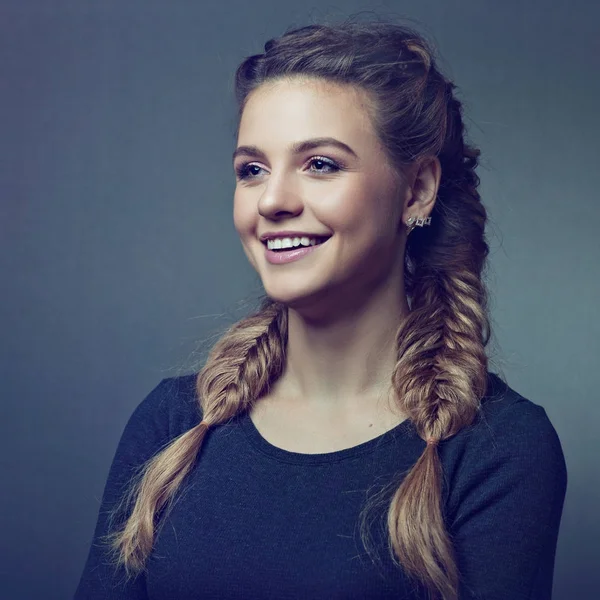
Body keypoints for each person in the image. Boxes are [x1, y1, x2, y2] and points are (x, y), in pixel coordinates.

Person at [74, 19, 567, 600]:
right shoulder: (174, 425)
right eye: (251, 170)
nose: (274, 200)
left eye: (321, 164)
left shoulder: (498, 449)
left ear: (417, 191)